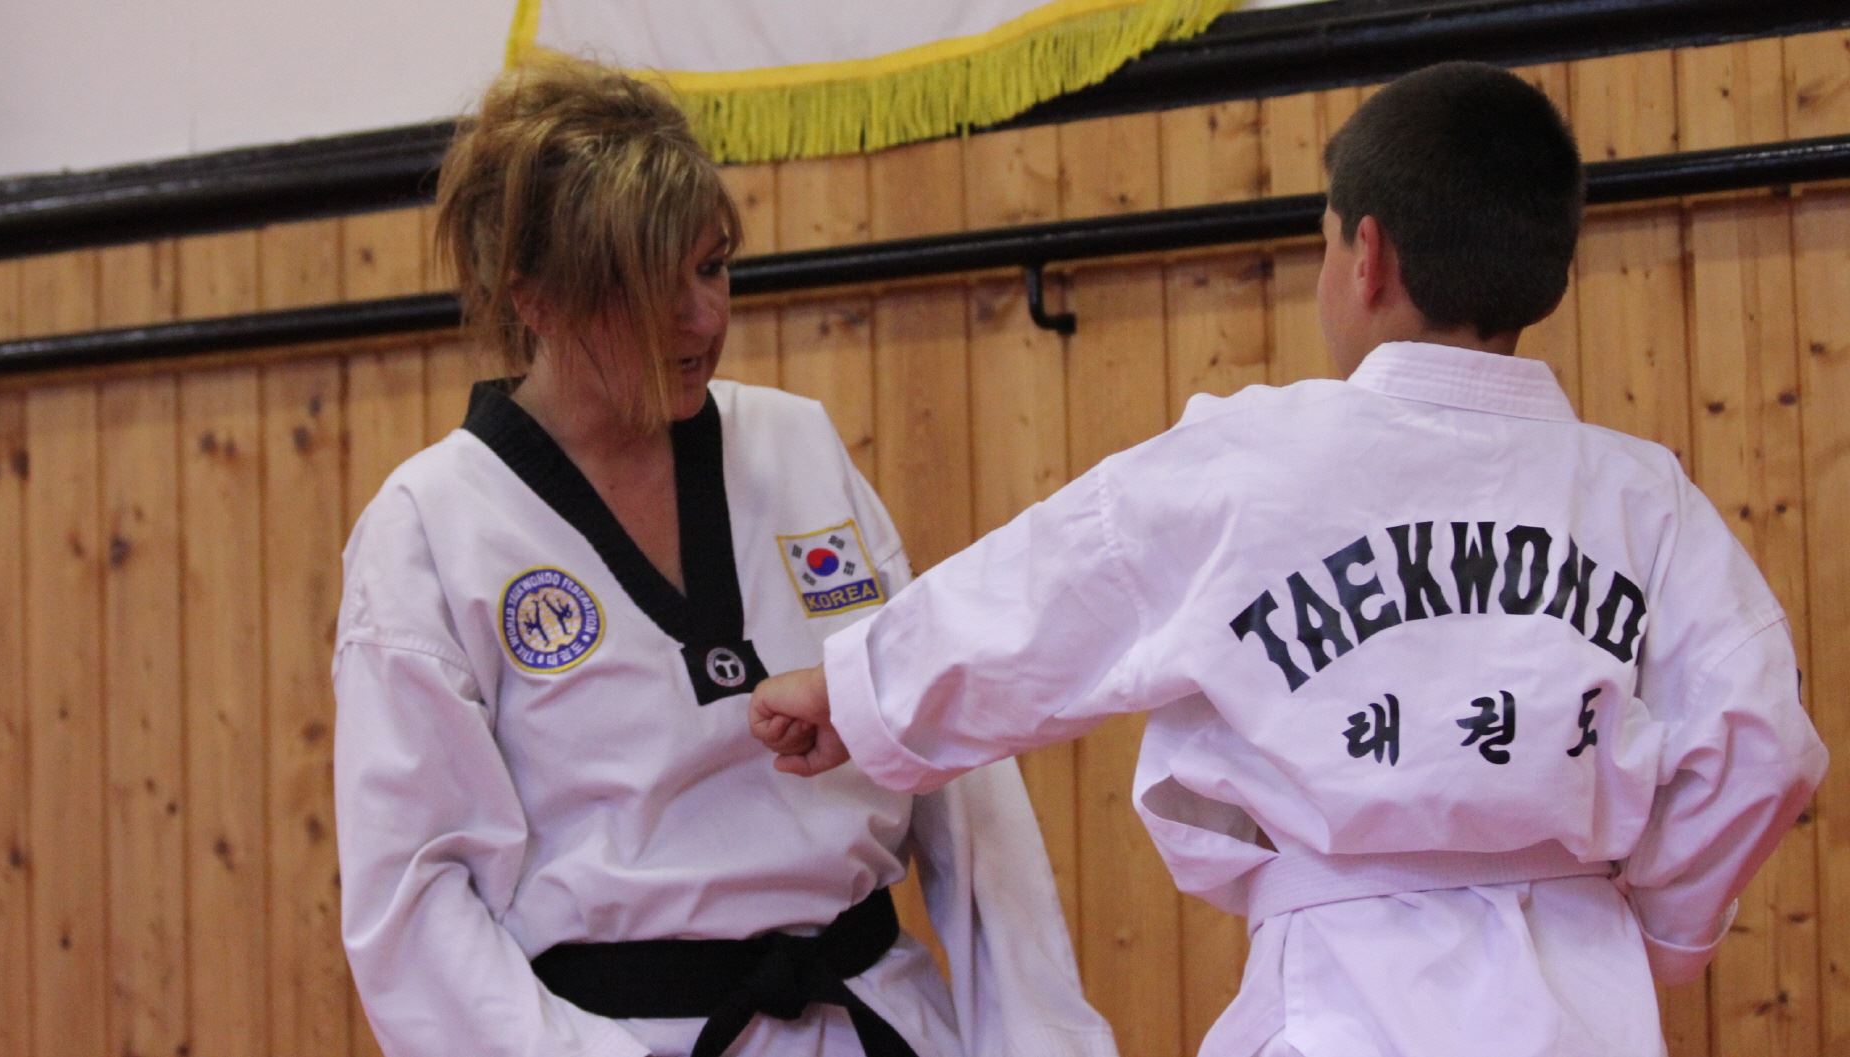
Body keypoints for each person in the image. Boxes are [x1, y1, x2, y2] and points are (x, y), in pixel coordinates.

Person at [750, 61, 1827, 1057]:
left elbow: (1055, 589)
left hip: (1339, 997)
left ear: (1367, 257)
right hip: (1585, 1003)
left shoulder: (1255, 458)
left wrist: (860, 693)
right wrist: (1665, 927)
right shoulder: (1643, 496)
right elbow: (1761, 743)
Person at [333, 53, 1118, 1057]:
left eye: (711, 265)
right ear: (536, 300)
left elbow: (954, 772)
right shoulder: (434, 528)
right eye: (650, 287)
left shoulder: (798, 448)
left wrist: (1046, 1038)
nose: (703, 318)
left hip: (873, 1016)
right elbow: (415, 909)